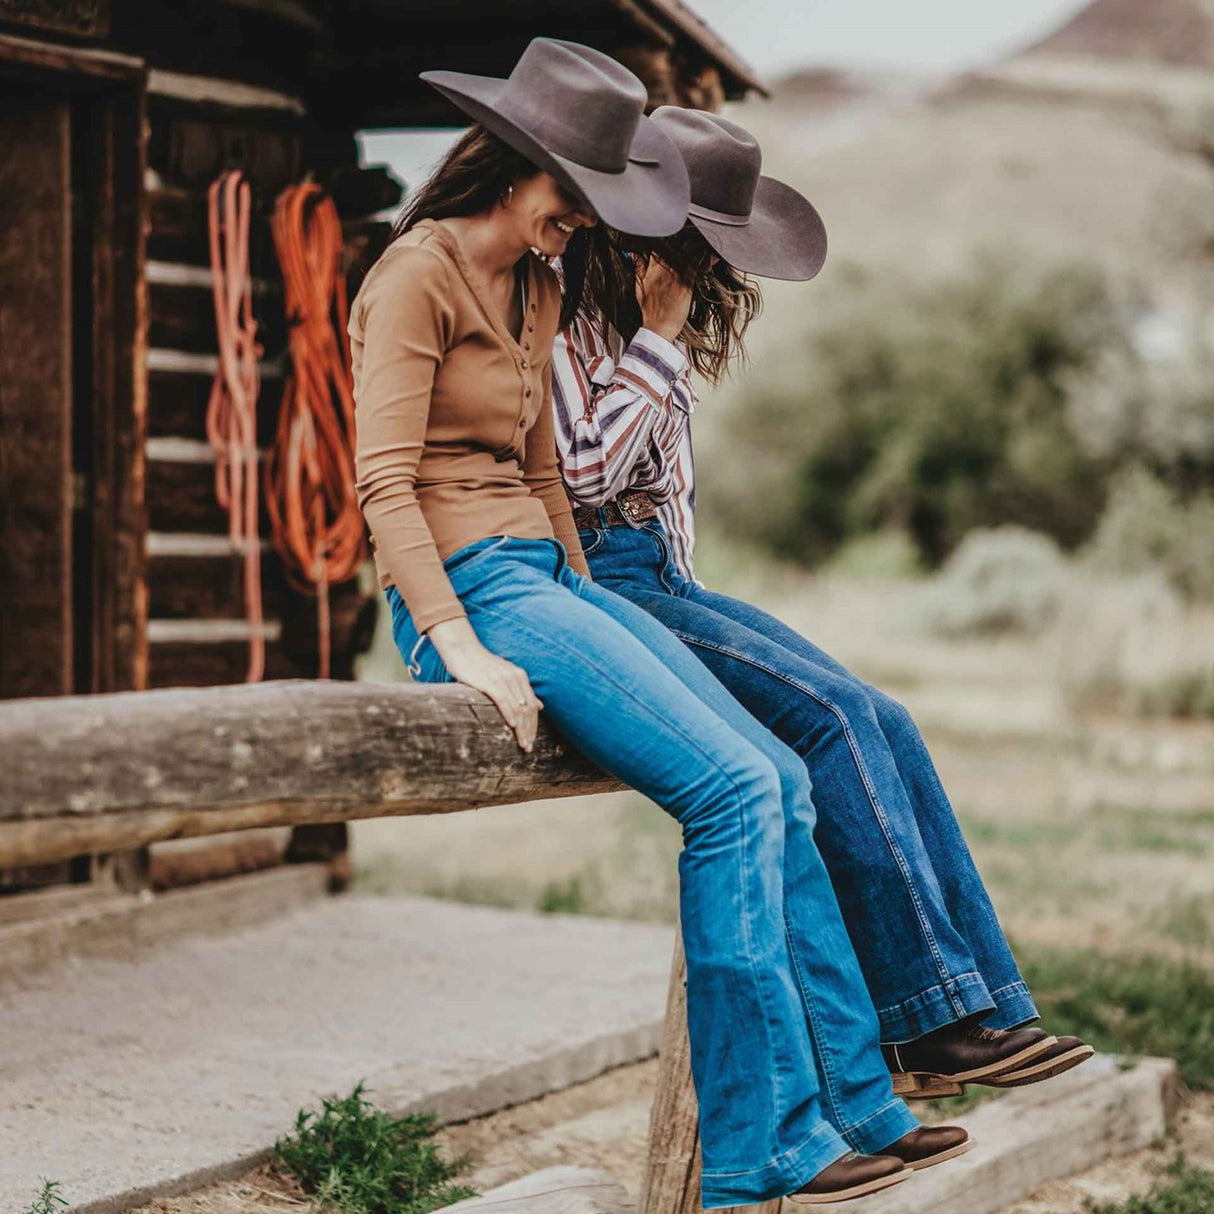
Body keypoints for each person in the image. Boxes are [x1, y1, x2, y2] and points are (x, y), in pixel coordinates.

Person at [351, 38, 972, 1209]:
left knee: (780, 768)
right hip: (471, 588)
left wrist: (587, 596)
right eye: (579, 201)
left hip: (546, 576)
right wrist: (463, 645)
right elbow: (383, 483)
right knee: (732, 795)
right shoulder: (411, 276)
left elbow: (544, 475)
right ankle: (756, 1145)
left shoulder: (532, 283)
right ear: (521, 167)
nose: (587, 228)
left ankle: (852, 1102)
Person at [551, 106, 1094, 1103]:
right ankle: (927, 1020)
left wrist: (658, 338)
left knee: (883, 714)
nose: (717, 269)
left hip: (665, 577)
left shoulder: (625, 316)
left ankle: (984, 1004)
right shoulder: (560, 315)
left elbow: (659, 498)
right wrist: (660, 337)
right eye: (704, 246)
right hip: (601, 580)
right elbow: (580, 476)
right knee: (835, 719)